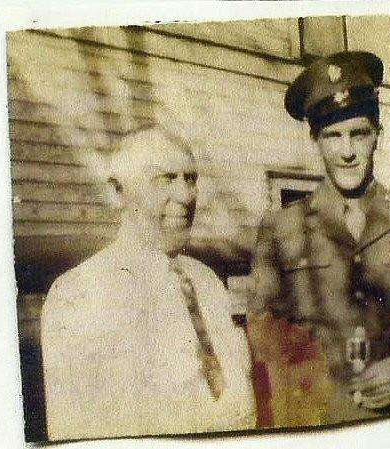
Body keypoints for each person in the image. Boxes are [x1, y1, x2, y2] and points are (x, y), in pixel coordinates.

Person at [250, 51, 390, 425]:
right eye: (333, 136)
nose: (347, 152)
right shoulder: (280, 230)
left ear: (378, 135)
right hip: (319, 422)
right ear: (316, 140)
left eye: (359, 134)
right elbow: (264, 336)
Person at [40, 127, 256, 440]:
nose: (185, 196)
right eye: (165, 179)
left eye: (190, 179)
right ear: (118, 192)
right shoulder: (78, 294)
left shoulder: (207, 282)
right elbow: (74, 431)